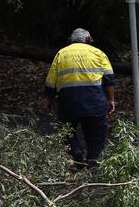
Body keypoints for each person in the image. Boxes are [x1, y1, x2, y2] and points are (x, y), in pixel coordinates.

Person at [44, 28, 116, 171]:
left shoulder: (61, 54)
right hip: (94, 102)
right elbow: (109, 79)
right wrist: (111, 100)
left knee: (67, 130)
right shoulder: (98, 53)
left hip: (68, 103)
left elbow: (51, 81)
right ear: (88, 40)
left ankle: (76, 156)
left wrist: (49, 99)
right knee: (96, 132)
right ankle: (93, 160)